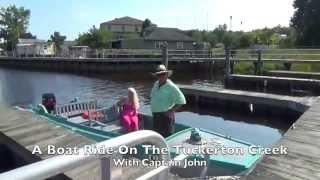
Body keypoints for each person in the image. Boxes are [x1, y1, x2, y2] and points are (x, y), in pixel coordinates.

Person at [150, 64, 186, 137]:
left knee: (167, 137)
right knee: (157, 137)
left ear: (166, 75)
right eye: (159, 75)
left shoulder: (171, 86)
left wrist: (171, 110)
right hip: (156, 115)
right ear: (156, 76)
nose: (161, 76)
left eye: (163, 74)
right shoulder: (156, 84)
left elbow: (181, 101)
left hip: (166, 117)